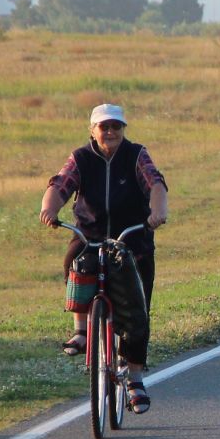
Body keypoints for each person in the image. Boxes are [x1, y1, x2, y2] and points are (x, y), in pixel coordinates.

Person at [40, 103, 169, 412]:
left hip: (131, 240)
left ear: (123, 129)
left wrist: (157, 212)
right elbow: (60, 185)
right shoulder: (81, 158)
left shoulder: (136, 155)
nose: (110, 132)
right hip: (90, 236)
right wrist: (50, 208)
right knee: (75, 261)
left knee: (137, 311)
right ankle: (82, 331)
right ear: (92, 130)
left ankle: (135, 377)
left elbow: (156, 184)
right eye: (104, 127)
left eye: (116, 126)